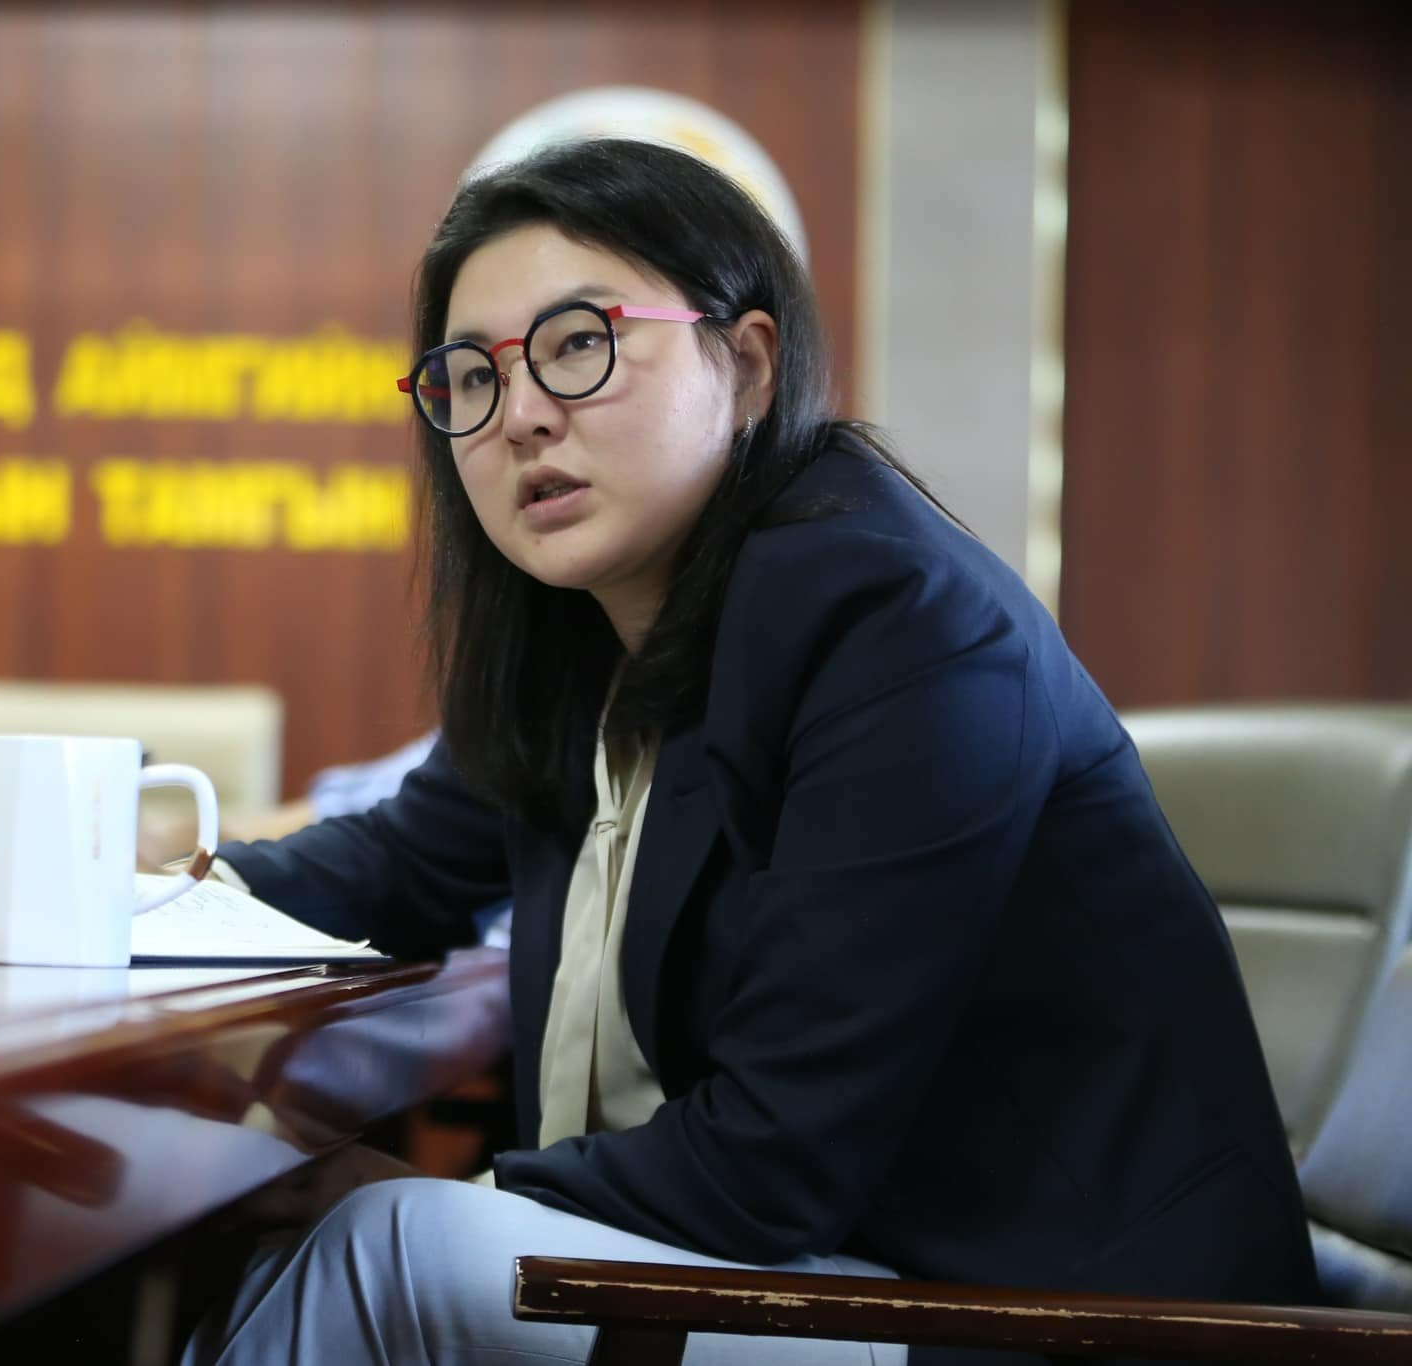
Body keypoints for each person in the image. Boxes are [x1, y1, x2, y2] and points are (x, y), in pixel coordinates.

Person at [184, 139, 1318, 1365]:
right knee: (290, 1238)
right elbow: (396, 865)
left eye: (578, 343)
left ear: (746, 365)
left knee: (378, 1247)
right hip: (830, 1264)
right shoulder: (585, 635)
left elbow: (777, 1154)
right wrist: (143, 887)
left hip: (1048, 1316)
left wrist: (461, 1191)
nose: (518, 415)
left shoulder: (895, 623)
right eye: (470, 377)